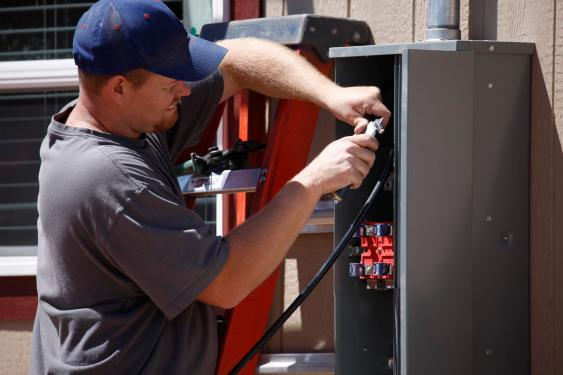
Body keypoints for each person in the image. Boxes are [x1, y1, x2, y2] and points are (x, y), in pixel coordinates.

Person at [30, 0, 390, 374]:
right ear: (119, 87)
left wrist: (329, 95)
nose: (185, 91)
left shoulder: (117, 121)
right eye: (171, 83)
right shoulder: (109, 178)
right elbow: (226, 282)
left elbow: (237, 59)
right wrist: (312, 181)